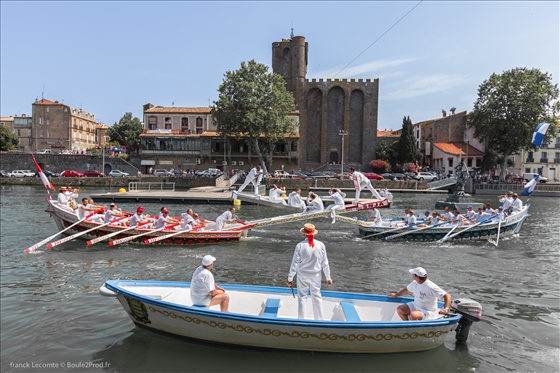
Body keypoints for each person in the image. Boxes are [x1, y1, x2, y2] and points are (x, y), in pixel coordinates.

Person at [287, 223, 332, 320]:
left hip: (302, 274)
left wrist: (290, 278)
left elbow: (295, 264)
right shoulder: (321, 245)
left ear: (304, 234)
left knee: (302, 297)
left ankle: (301, 319)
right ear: (314, 233)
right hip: (316, 274)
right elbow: (325, 262)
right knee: (316, 296)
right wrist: (328, 277)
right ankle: (319, 320)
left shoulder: (300, 246)